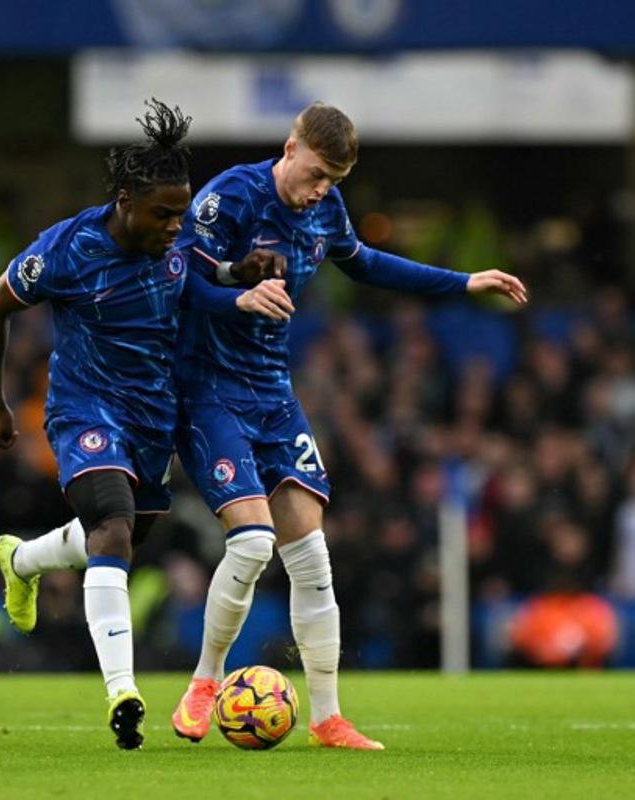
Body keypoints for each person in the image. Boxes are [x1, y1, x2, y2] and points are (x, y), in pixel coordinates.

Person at [167, 102, 527, 750]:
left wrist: (463, 281)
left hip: (271, 390)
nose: (322, 190)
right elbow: (177, 283)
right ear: (290, 148)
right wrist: (238, 296)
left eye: (335, 179)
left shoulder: (325, 211)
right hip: (207, 388)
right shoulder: (231, 200)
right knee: (251, 546)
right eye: (317, 174)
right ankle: (203, 682)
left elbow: (367, 263)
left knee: (311, 554)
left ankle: (328, 718)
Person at [0, 99, 193, 750]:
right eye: (162, 213)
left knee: (123, 539)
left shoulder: (179, 245)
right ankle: (121, 691)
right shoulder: (69, 250)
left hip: (153, 417)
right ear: (125, 200)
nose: (173, 226)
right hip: (84, 408)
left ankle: (23, 560)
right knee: (112, 527)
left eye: (181, 212)